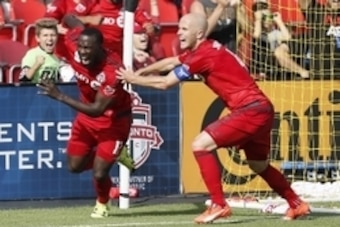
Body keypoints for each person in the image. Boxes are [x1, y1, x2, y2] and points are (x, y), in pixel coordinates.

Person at [116, 13, 311, 224]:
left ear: (198, 33)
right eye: (179, 28)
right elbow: (171, 61)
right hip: (261, 109)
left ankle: (218, 204)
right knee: (259, 166)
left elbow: (166, 83)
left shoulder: (203, 55)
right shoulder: (206, 49)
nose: (178, 33)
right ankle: (296, 203)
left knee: (200, 145)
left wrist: (134, 79)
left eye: (183, 29)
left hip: (250, 110)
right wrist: (142, 70)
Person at [37, 23, 132, 218]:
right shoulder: (73, 43)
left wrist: (60, 96)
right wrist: (62, 20)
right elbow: (70, 18)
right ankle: (112, 157)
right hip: (85, 121)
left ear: (100, 47)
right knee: (74, 167)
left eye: (88, 48)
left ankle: (102, 204)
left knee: (99, 173)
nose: (83, 51)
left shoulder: (113, 71)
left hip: (113, 123)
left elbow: (97, 109)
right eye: (81, 46)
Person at [20, 18, 60, 83]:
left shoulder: (56, 58)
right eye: (45, 35)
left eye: (52, 35)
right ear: (38, 38)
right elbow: (23, 79)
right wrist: (37, 64)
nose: (49, 38)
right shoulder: (32, 54)